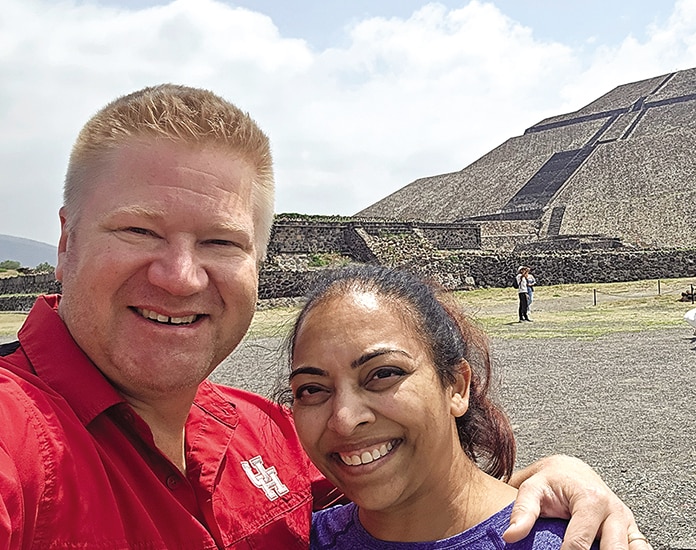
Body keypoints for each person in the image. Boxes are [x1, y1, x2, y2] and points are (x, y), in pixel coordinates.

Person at [0, 84, 649, 549]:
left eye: (222, 243)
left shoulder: (270, 436)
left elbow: (412, 486)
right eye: (139, 230)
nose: (180, 276)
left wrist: (547, 481)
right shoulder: (17, 441)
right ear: (65, 241)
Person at [286, 266, 608, 549]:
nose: (344, 419)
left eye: (384, 374)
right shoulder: (286, 541)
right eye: (312, 389)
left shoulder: (567, 541)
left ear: (457, 386)